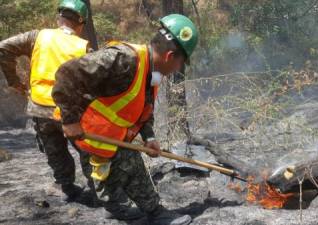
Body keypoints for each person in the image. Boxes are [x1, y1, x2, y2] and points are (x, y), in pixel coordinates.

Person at [52, 14, 198, 225]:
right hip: (87, 128)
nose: (178, 69)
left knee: (113, 181)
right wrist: (69, 120)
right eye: (180, 63)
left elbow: (144, 110)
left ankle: (115, 206)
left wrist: (149, 137)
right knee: (130, 166)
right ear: (169, 56)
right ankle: (155, 212)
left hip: (111, 134)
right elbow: (66, 74)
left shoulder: (153, 73)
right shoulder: (123, 60)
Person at [0, 0, 90, 200]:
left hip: (40, 108)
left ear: (59, 18)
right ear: (81, 25)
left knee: (54, 149)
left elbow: (3, 48)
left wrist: (14, 81)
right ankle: (99, 189)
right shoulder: (84, 46)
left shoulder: (38, 36)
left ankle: (65, 186)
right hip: (71, 111)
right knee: (86, 149)